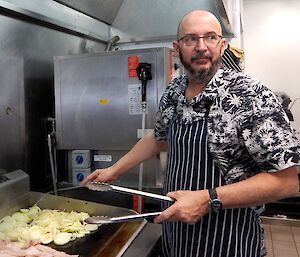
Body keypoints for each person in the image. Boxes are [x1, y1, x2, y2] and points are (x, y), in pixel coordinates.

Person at [82, 9, 300, 257]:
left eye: (210, 37)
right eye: (190, 39)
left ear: (223, 44)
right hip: (176, 237)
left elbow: (287, 182)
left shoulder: (250, 95)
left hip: (230, 240)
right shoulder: (174, 91)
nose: (201, 47)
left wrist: (208, 199)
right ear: (177, 48)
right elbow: (158, 138)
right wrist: (114, 170)